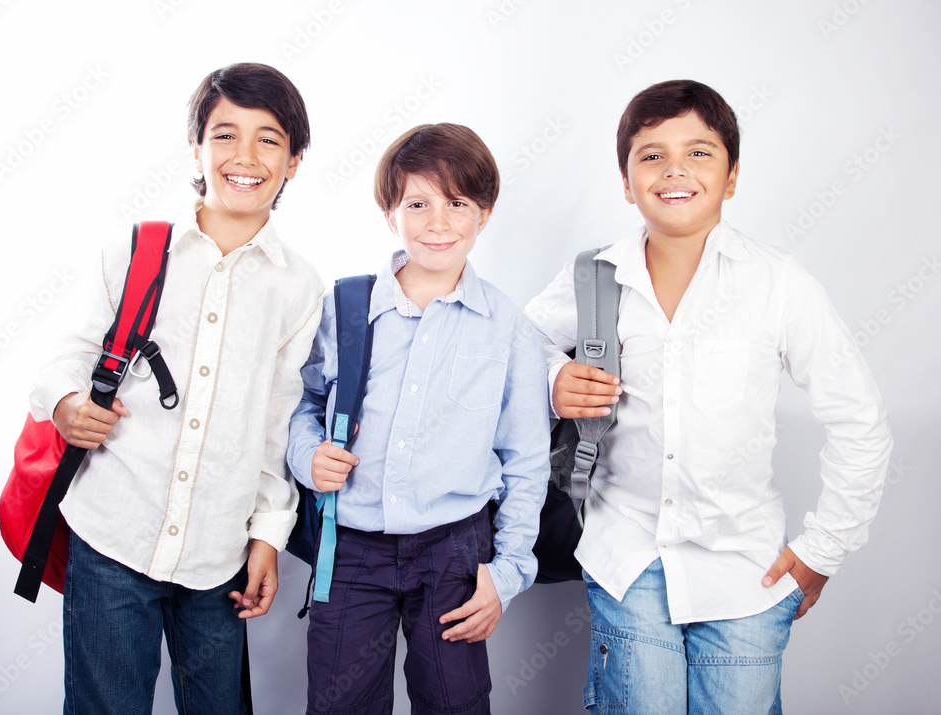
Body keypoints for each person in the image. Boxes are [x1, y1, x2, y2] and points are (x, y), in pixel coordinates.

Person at [524, 80, 893, 714]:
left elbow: (860, 419)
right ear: (626, 181)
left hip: (745, 571)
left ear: (732, 175)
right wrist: (553, 376)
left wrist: (824, 548)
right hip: (626, 556)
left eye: (698, 152)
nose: (675, 170)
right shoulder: (594, 276)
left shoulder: (778, 282)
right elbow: (515, 347)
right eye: (651, 155)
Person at [29, 62, 323, 715]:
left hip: (219, 554)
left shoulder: (299, 287)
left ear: (295, 160)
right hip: (113, 532)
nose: (245, 156)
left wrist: (269, 535)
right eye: (225, 135)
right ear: (196, 148)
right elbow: (67, 355)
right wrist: (67, 403)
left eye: (269, 139)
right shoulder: (139, 248)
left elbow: (277, 425)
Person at [287, 123, 550, 715]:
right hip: (351, 547)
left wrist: (507, 572)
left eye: (458, 203)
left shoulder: (507, 327)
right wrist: (308, 455)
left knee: (455, 703)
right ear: (390, 214)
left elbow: (526, 459)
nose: (438, 222)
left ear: (484, 215)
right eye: (417, 204)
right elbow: (302, 403)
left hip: (455, 550)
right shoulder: (346, 308)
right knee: (340, 705)